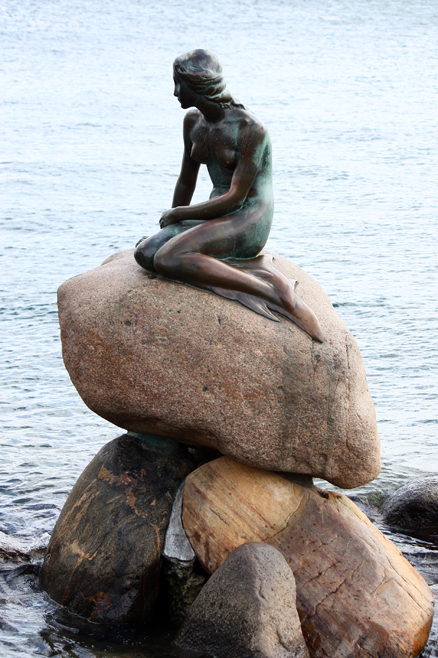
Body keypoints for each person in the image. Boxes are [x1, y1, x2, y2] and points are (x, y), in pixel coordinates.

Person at [135, 49, 323, 343]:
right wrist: (173, 225)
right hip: (216, 211)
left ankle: (275, 292)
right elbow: (186, 180)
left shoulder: (249, 128)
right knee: (146, 254)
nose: (174, 92)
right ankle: (231, 268)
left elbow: (236, 197)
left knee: (169, 258)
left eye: (179, 84)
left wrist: (180, 215)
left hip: (248, 216)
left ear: (198, 85)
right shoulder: (192, 122)